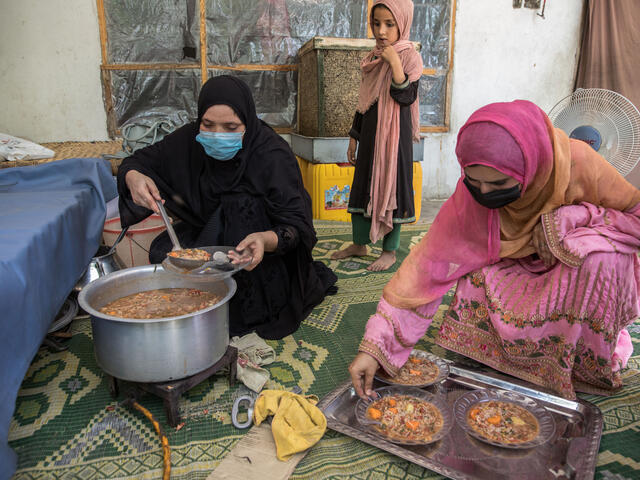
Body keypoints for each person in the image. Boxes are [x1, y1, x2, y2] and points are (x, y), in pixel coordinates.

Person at [349, 100, 640, 399]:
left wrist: (571, 219)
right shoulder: (472, 197)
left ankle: (576, 360)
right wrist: (375, 346)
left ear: (533, 162)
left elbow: (635, 217)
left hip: (566, 271)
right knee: (473, 269)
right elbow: (425, 267)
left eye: (499, 183)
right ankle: (502, 355)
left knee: (602, 259)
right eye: (474, 181)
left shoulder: (579, 162)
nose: (484, 193)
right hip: (513, 267)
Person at [117, 75, 337, 340]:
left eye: (231, 127)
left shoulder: (272, 155)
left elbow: (297, 228)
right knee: (164, 253)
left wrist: (264, 240)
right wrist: (134, 177)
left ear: (247, 121)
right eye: (208, 125)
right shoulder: (190, 140)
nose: (217, 135)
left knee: (241, 205)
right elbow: (136, 162)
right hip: (211, 233)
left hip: (259, 255)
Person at [331, 0, 423, 272]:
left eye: (389, 24)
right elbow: (364, 102)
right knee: (363, 186)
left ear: (402, 23)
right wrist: (353, 136)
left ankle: (389, 251)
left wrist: (395, 63)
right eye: (376, 23)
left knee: (392, 187)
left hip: (395, 141)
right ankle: (359, 244)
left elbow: (406, 96)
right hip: (371, 137)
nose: (381, 31)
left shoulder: (409, 56)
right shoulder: (372, 58)